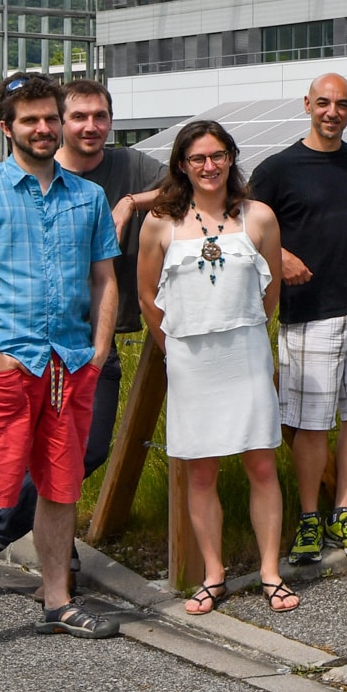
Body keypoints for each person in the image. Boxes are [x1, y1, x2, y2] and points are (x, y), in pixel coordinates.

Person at [0, 72, 121, 675]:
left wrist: (97, 350)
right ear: (6, 126)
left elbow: (105, 280)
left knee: (61, 489)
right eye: (30, 119)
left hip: (69, 366)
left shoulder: (86, 197)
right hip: (4, 368)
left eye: (50, 117)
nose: (43, 128)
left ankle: (57, 600)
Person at [0, 79, 164, 585]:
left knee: (85, 451)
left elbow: (189, 183)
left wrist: (130, 203)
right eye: (79, 116)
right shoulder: (41, 175)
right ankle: (44, 548)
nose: (91, 126)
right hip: (27, 348)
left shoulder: (129, 167)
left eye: (100, 116)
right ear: (58, 121)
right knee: (23, 457)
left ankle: (4, 534)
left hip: (90, 347)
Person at [137, 121, 294, 614]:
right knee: (200, 473)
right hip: (190, 363)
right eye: (198, 158)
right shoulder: (160, 222)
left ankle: (270, 572)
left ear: (231, 158)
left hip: (245, 356)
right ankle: (213, 573)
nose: (210, 166)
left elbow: (270, 294)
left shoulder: (260, 217)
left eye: (218, 155)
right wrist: (172, 348)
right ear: (182, 164)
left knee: (262, 464)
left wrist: (243, 330)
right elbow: (146, 295)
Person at [249, 73, 347, 569]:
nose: (332, 112)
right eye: (323, 103)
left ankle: (343, 512)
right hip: (309, 311)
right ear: (307, 105)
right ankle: (310, 517)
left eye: (341, 104)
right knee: (310, 423)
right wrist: (280, 255)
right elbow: (241, 222)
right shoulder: (278, 169)